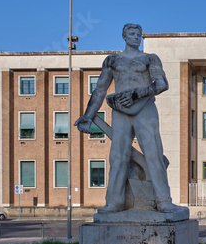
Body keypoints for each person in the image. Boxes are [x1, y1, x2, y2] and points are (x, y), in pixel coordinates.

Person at [74, 23, 177, 213]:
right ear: (124, 36)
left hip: (145, 108)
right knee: (118, 157)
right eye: (132, 33)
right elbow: (100, 90)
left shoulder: (150, 58)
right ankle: (115, 202)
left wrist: (136, 94)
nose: (136, 36)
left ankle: (163, 200)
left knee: (154, 155)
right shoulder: (112, 61)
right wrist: (88, 117)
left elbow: (162, 84)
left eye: (139, 34)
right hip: (120, 111)